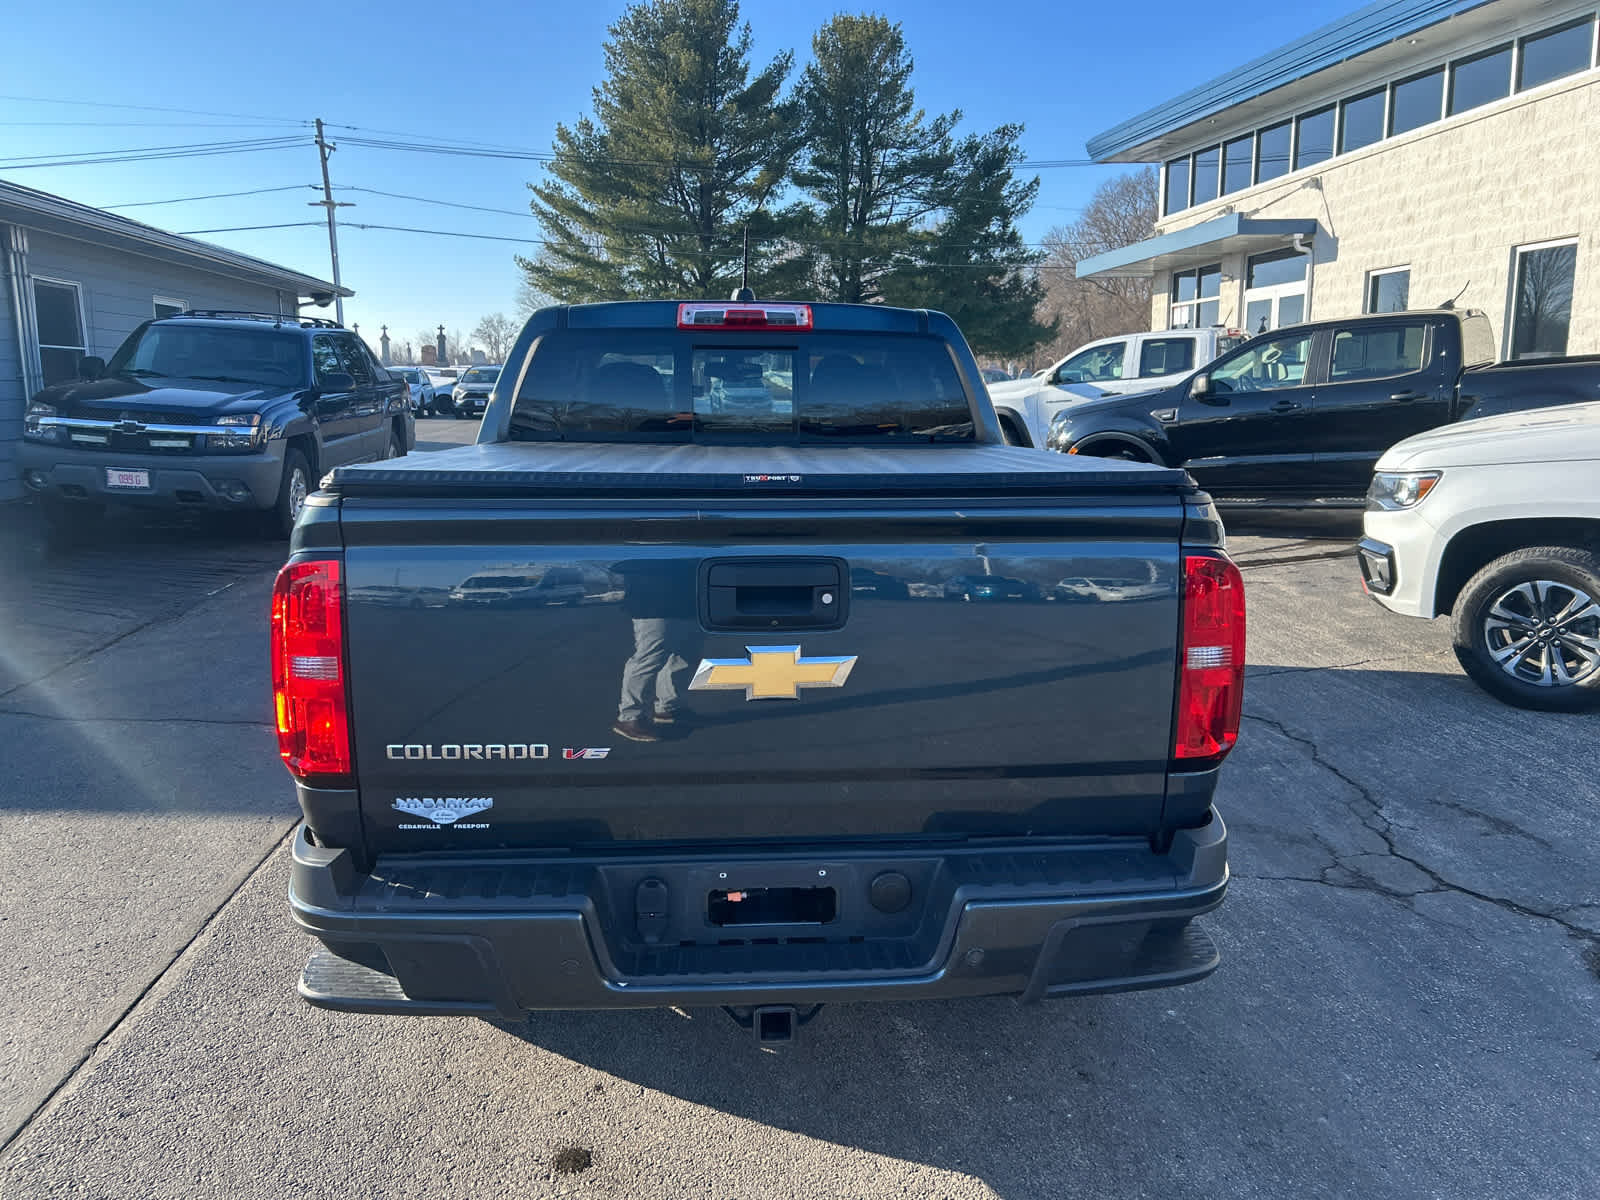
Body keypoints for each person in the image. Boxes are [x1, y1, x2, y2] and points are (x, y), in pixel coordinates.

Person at [612, 558, 701, 743]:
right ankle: (630, 718)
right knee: (649, 659)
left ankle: (668, 707)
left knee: (683, 656)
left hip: (688, 600)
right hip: (653, 601)